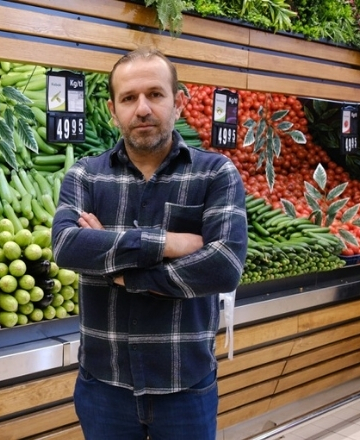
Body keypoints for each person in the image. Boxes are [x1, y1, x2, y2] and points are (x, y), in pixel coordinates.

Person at [51, 47, 248, 439]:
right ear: (113, 110)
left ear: (178, 103)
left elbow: (224, 264)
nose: (142, 108)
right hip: (104, 386)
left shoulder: (214, 174)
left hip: (185, 385)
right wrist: (169, 243)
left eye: (155, 94)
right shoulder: (86, 176)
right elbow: (67, 246)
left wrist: (124, 269)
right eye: (129, 98)